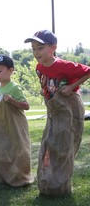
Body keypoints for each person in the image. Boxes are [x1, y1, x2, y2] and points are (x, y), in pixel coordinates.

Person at [24, 30, 90, 196]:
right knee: (49, 144)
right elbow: (46, 82)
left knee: (63, 146)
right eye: (33, 48)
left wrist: (70, 87)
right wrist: (44, 90)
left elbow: (88, 71)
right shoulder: (39, 67)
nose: (35, 52)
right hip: (54, 109)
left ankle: (60, 186)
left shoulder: (64, 66)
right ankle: (49, 182)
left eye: (40, 48)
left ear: (53, 47)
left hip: (68, 108)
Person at [0, 54, 34, 187]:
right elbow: (1, 105)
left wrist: (12, 100)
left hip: (16, 125)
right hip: (3, 124)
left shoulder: (14, 87)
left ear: (11, 70)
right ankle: (6, 174)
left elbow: (26, 106)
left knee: (18, 149)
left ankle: (21, 175)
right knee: (4, 148)